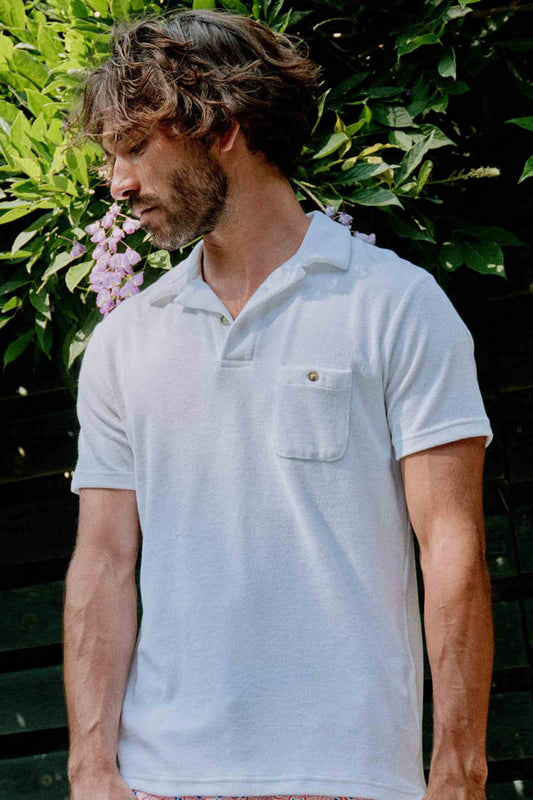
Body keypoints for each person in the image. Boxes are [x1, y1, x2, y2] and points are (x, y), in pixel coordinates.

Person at [63, 8, 494, 800]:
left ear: (221, 127)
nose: (117, 184)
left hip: (354, 779)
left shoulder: (396, 306)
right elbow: (103, 561)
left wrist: (459, 770)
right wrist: (90, 769)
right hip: (161, 781)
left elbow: (451, 548)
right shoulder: (126, 341)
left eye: (135, 148)